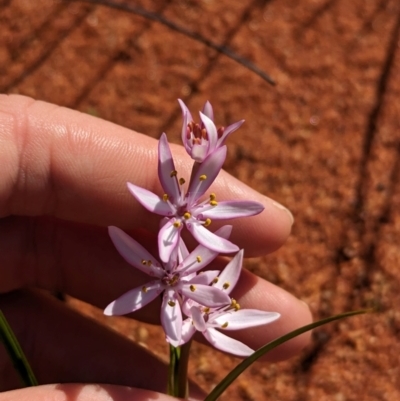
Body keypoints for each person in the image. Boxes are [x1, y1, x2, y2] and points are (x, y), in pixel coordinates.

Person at [0, 95, 312, 401]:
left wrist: (194, 299)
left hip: (181, 291)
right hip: (172, 286)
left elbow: (197, 265)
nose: (185, 209)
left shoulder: (189, 265)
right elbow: (173, 259)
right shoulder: (174, 245)